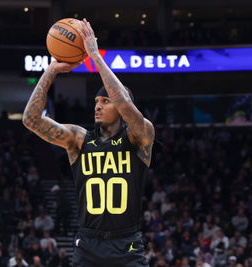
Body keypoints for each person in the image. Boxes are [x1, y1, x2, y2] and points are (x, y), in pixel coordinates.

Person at [23, 18, 154, 267]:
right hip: (88, 244)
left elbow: (125, 103)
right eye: (96, 101)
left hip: (127, 245)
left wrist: (95, 55)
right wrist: (50, 70)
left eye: (105, 100)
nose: (98, 105)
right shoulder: (79, 139)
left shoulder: (140, 136)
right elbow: (31, 120)